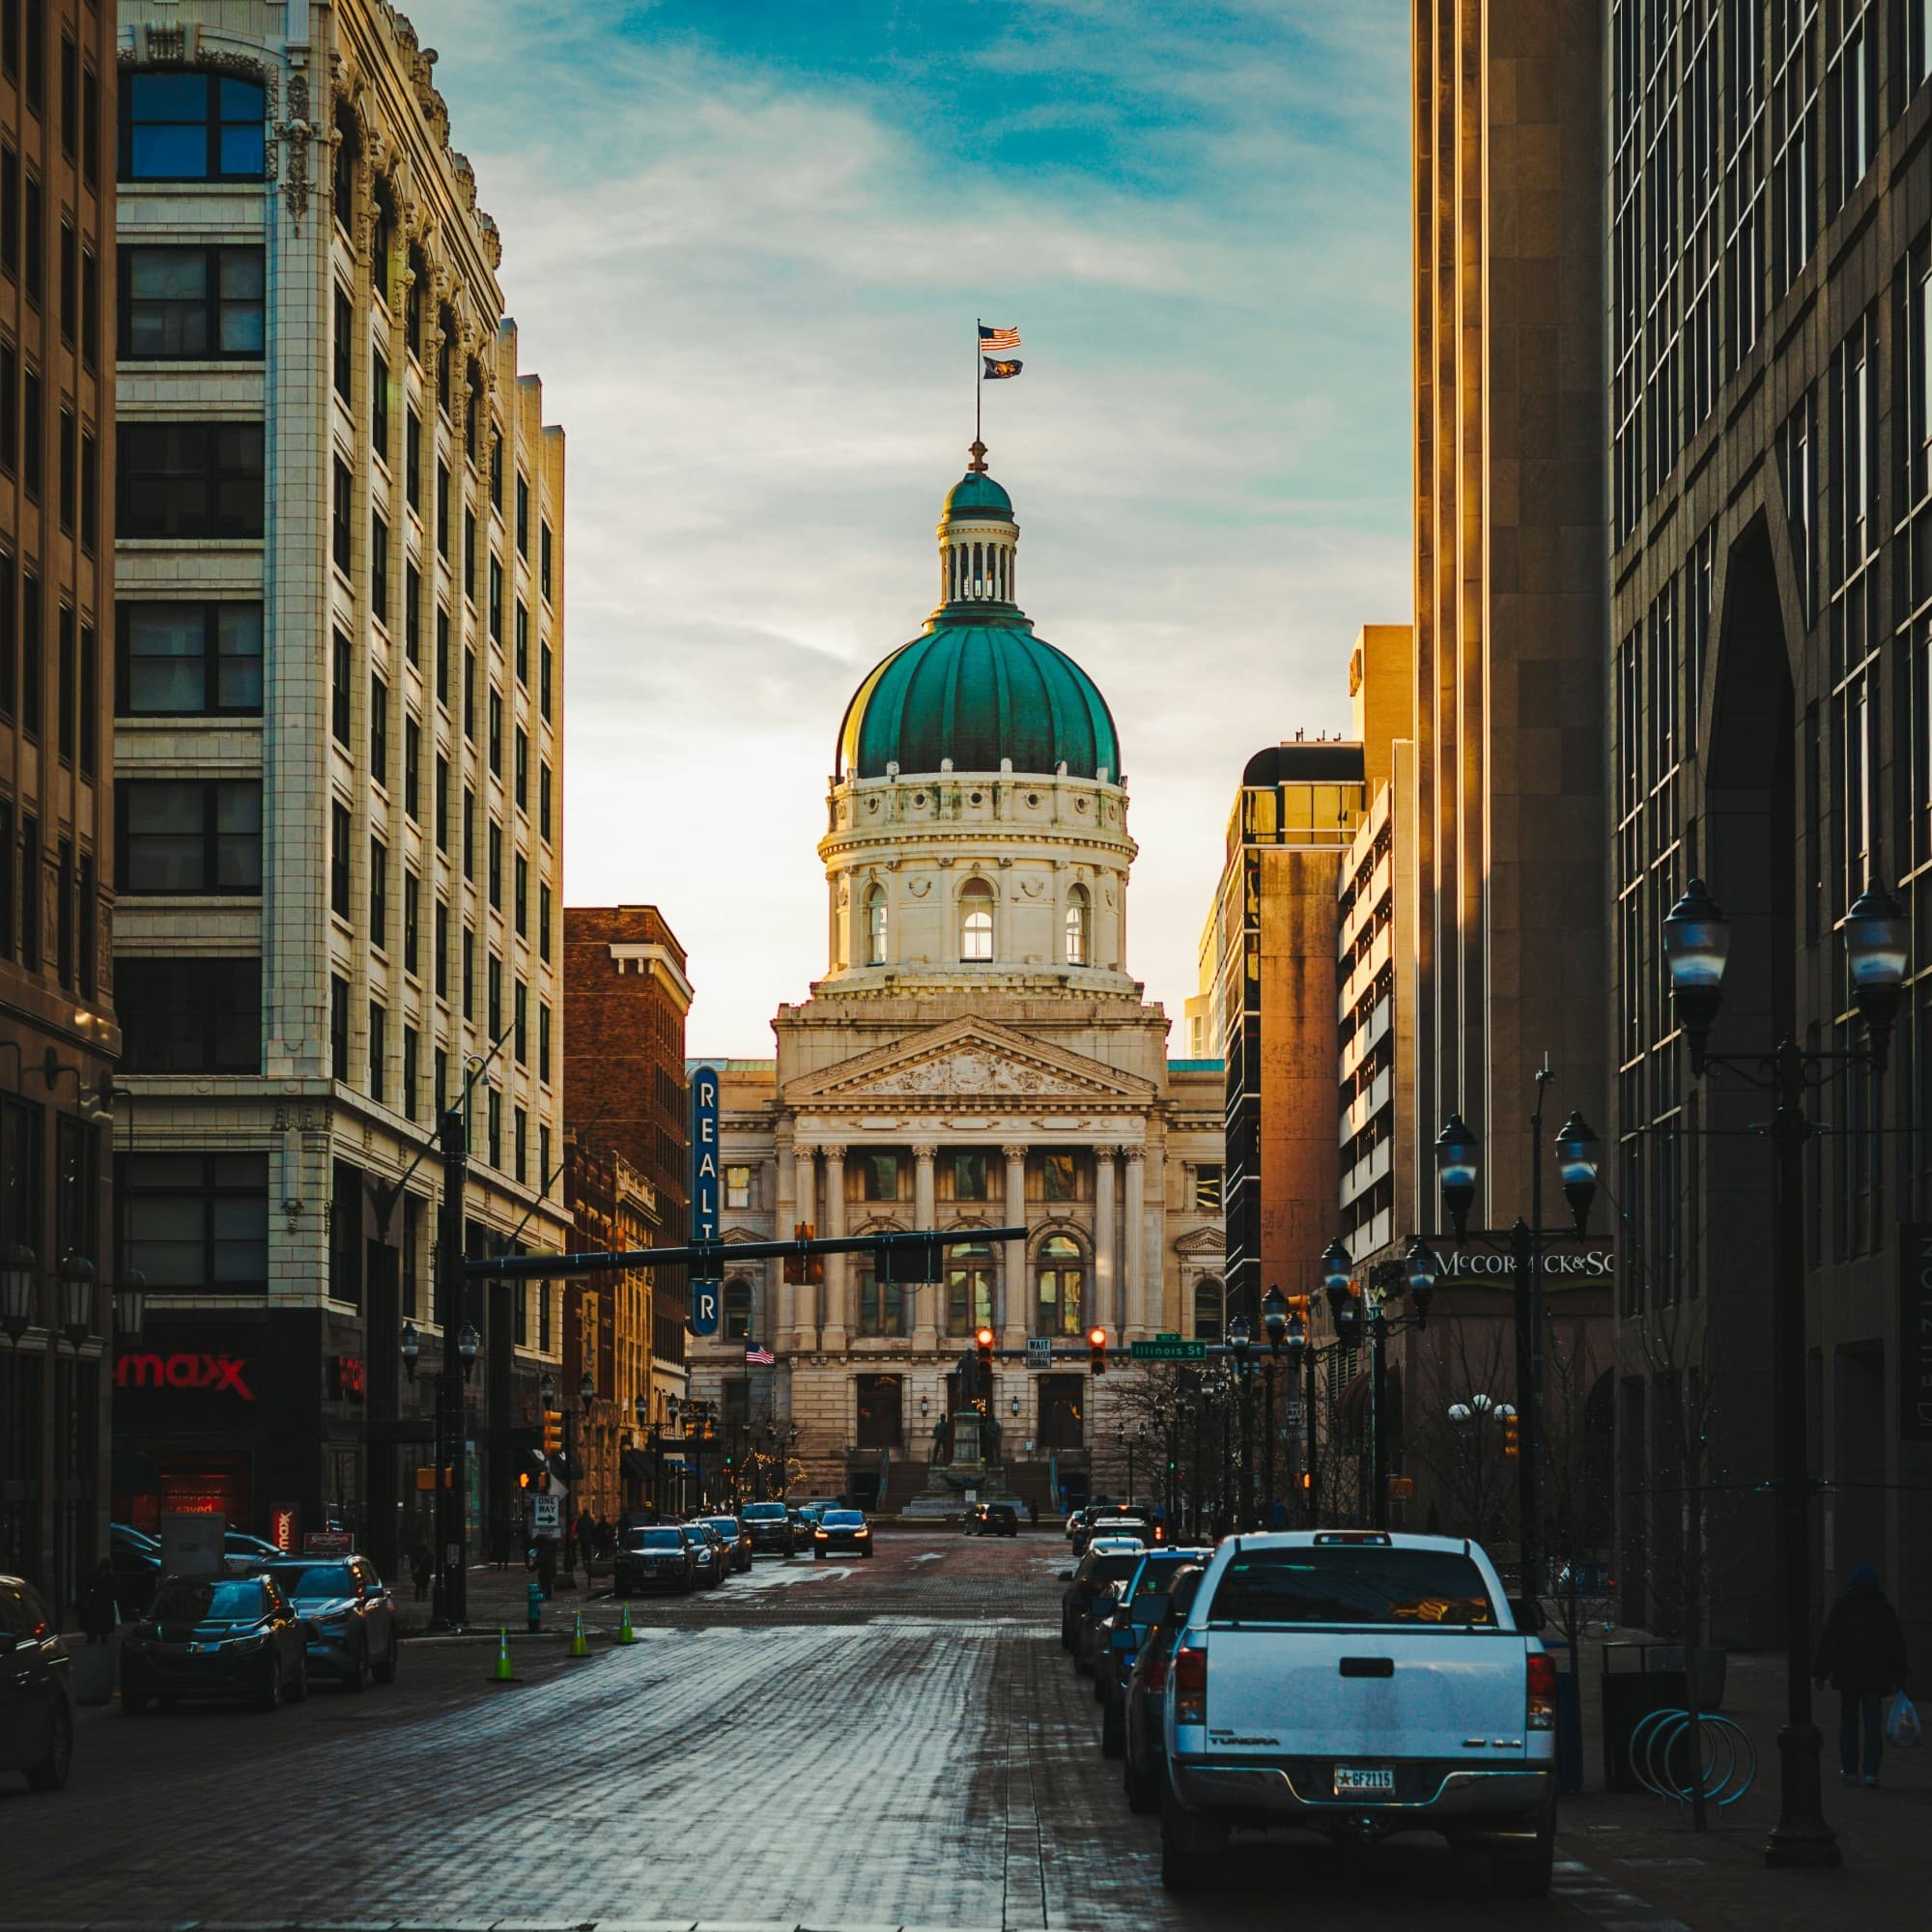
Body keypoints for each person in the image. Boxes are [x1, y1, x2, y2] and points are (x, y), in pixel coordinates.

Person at [1813, 1562, 1910, 1785]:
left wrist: (1821, 1672)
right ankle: (1871, 1773)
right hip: (1875, 1678)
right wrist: (1899, 1676)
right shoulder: (1883, 1607)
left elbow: (1829, 1640)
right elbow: (1895, 1643)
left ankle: (1849, 1770)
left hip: (1849, 1676)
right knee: (1873, 1725)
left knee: (1849, 1723)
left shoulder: (1843, 1606)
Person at [77, 1559, 119, 1645]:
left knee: (98, 1623)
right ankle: (96, 1637)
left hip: (99, 1604)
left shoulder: (107, 1577)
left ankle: (98, 1637)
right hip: (98, 1604)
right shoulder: (108, 1578)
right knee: (97, 1623)